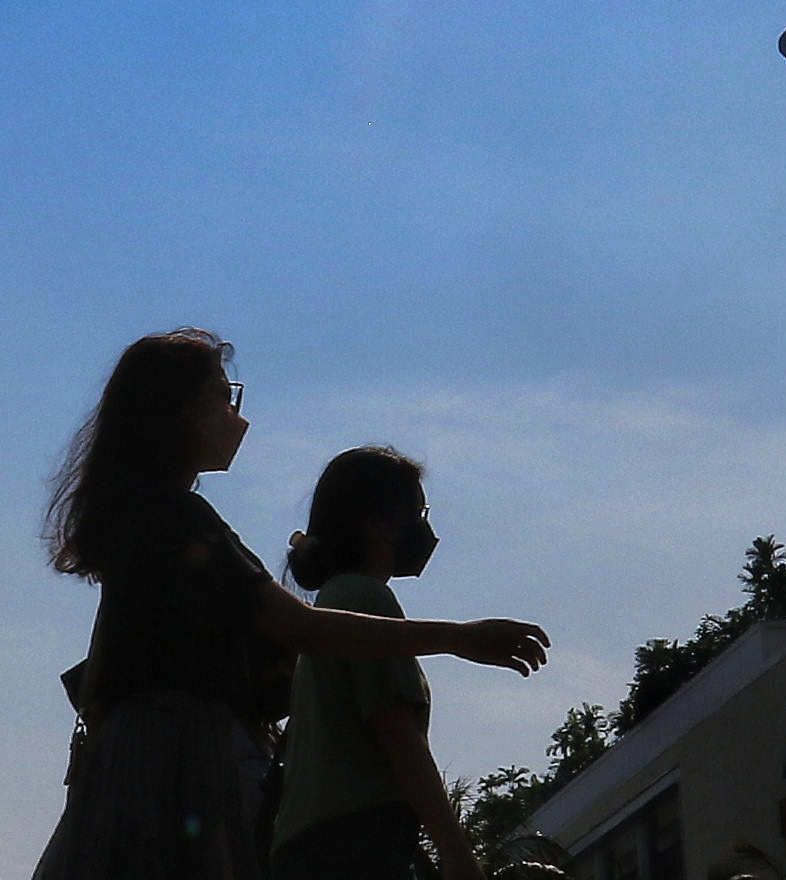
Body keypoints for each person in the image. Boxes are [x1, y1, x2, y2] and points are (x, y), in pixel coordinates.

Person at [33, 330, 551, 880]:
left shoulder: (144, 523)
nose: (236, 416)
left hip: (136, 769)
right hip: (182, 768)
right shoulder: (182, 523)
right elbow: (301, 628)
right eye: (222, 396)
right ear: (181, 413)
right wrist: (458, 638)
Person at [274, 446, 480, 880]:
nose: (423, 529)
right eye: (417, 513)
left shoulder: (334, 603)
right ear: (377, 524)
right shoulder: (366, 601)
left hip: (308, 845)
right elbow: (397, 732)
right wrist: (455, 851)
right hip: (355, 844)